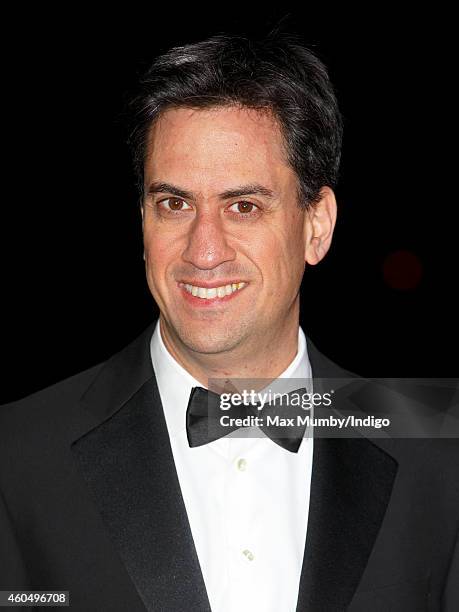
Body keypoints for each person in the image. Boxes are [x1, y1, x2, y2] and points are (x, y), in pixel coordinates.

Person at [0, 30, 458, 612]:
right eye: (175, 203)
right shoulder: (16, 459)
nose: (204, 250)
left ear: (316, 225)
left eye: (243, 206)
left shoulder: (438, 454)